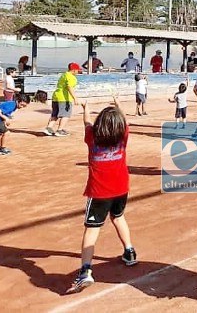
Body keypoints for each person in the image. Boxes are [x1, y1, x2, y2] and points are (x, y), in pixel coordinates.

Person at [66, 96, 137, 294]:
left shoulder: (92, 136)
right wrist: (119, 106)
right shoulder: (123, 135)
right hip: (121, 188)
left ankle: (85, 271)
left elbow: (87, 122)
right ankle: (129, 251)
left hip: (99, 192)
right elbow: (124, 122)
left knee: (92, 229)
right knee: (119, 217)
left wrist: (86, 108)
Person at [44, 63, 81, 137]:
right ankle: (60, 130)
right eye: (77, 70)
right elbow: (69, 87)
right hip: (64, 98)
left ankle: (49, 128)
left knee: (55, 114)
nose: (78, 72)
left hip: (56, 97)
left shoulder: (64, 75)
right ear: (73, 70)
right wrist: (75, 98)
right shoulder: (72, 77)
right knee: (66, 115)